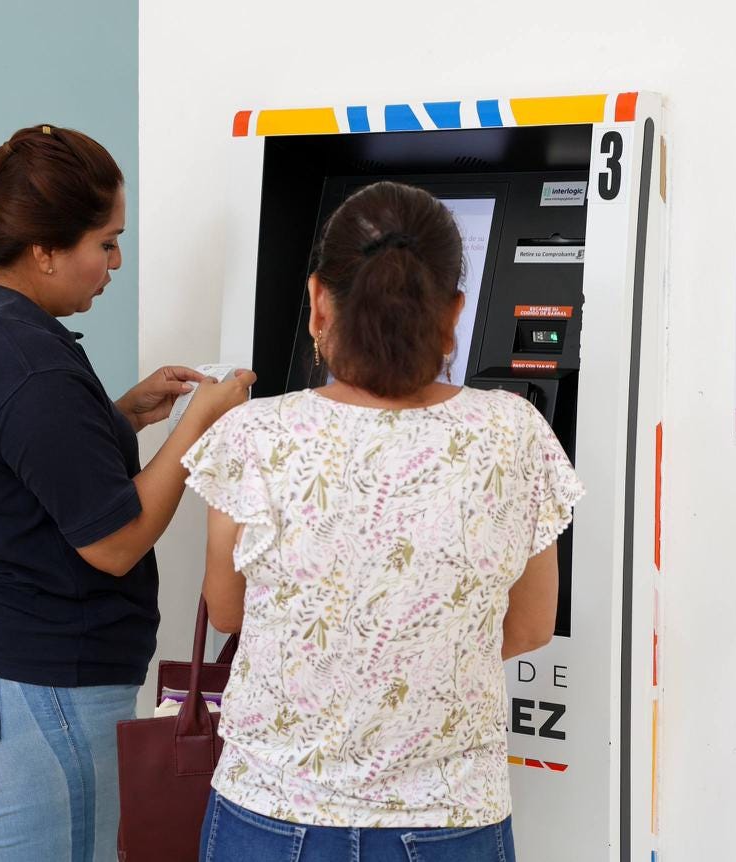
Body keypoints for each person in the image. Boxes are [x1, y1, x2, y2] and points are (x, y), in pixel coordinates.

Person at [183, 181, 585, 861]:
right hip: (450, 819)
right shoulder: (512, 431)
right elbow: (530, 625)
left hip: (272, 813)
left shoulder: (254, 435)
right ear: (454, 311)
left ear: (318, 302)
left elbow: (227, 610)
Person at [0, 123, 255, 862]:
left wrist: (119, 418)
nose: (115, 263)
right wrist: (198, 424)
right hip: (30, 694)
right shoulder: (31, 364)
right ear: (45, 250)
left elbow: (7, 463)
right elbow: (115, 545)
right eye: (106, 243)